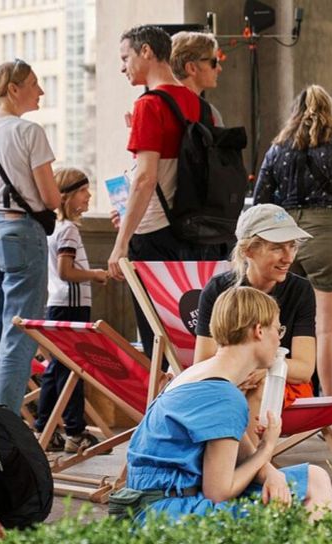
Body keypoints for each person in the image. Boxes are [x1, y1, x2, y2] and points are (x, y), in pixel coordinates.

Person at [124, 286, 332, 524]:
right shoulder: (223, 395)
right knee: (314, 487)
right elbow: (219, 491)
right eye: (278, 329)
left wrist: (272, 473)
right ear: (259, 331)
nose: (279, 338)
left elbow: (244, 456)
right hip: (172, 513)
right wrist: (267, 446)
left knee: (313, 478)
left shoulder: (199, 374)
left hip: (144, 507)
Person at [254, 85, 332, 440]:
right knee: (328, 334)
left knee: (271, 323)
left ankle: (264, 406)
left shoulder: (279, 149)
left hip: (283, 234)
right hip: (329, 234)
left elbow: (260, 200)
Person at [107, 25, 229, 358]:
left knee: (156, 339)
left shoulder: (149, 104)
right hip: (193, 231)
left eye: (125, 57)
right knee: (190, 334)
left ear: (146, 51)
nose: (123, 67)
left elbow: (146, 179)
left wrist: (120, 245)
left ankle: (159, 406)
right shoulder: (201, 107)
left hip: (154, 233)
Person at [0, 58, 60, 412]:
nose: (40, 91)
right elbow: (50, 197)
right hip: (18, 231)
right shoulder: (29, 132)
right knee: (18, 334)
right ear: (13, 89)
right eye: (35, 83)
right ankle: (4, 431)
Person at [193, 204, 316, 442]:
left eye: (292, 246)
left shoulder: (300, 290)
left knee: (259, 388)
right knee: (235, 391)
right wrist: (244, 369)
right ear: (249, 251)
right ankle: (243, 466)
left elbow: (304, 369)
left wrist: (265, 369)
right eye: (277, 248)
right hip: (228, 380)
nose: (288, 257)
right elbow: (203, 361)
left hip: (283, 381)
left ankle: (250, 468)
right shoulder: (218, 290)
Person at [33, 168, 109, 453]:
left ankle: (45, 427)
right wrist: (96, 274)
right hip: (72, 306)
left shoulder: (52, 229)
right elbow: (66, 271)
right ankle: (75, 431)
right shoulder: (69, 230)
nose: (89, 196)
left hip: (57, 305)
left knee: (58, 368)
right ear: (66, 196)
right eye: (82, 191)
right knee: (75, 368)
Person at [170, 31, 225, 125]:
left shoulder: (158, 107)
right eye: (214, 62)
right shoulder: (211, 115)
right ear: (191, 68)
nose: (220, 69)